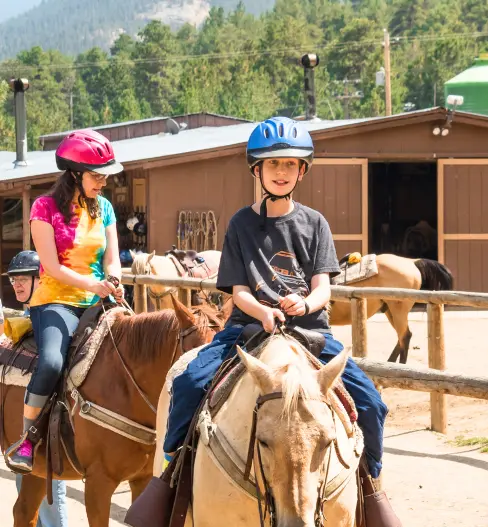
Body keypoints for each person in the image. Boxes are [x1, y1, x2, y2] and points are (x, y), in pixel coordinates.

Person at [162, 116, 388, 479]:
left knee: (372, 402)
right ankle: (174, 474)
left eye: (289, 164)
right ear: (257, 169)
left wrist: (306, 304)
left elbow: (322, 288)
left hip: (311, 333)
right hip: (248, 329)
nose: (281, 171)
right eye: (272, 163)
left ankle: (371, 486)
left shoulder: (316, 224)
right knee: (188, 384)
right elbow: (238, 292)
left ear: (302, 170)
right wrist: (263, 313)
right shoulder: (240, 224)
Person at [3, 129, 125, 473]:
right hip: (55, 302)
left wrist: (114, 279)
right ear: (75, 174)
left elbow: (112, 258)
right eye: (97, 175)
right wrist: (93, 283)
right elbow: (52, 267)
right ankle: (27, 439)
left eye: (105, 176)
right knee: (53, 363)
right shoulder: (44, 208)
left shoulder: (105, 208)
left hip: (97, 298)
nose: (103, 182)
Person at [3, 251, 77, 527]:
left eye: (23, 279)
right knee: (26, 451)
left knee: (44, 447)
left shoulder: (54, 311)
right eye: (14, 279)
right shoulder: (34, 311)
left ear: (41, 279)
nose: (17, 285)